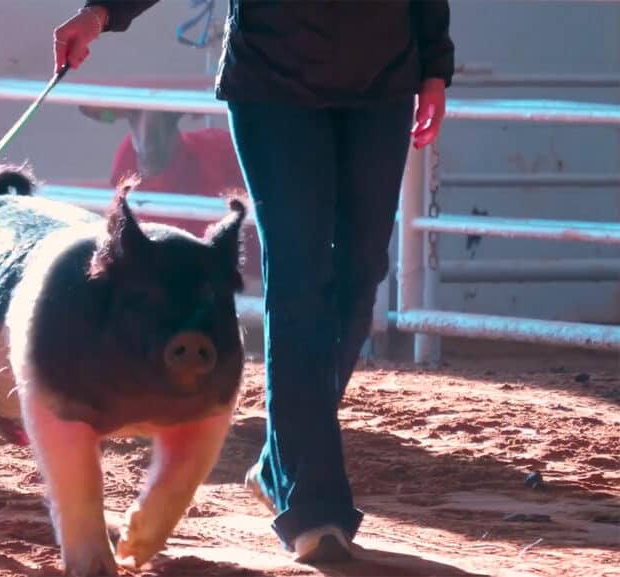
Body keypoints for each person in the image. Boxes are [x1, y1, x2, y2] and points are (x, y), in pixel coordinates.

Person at [53, 0, 453, 565]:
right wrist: (100, 13)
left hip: (382, 80)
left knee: (361, 273)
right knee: (299, 273)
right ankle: (314, 508)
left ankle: (279, 461)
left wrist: (434, 65)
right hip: (273, 80)